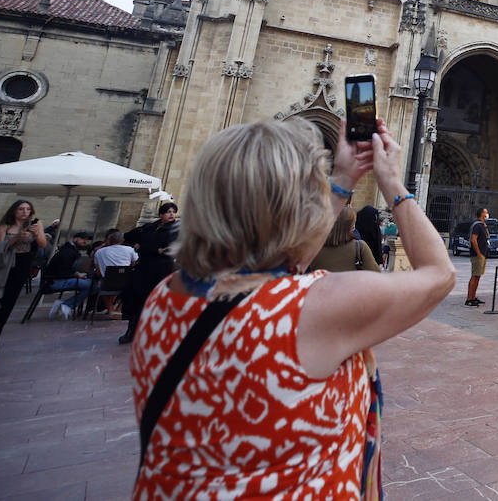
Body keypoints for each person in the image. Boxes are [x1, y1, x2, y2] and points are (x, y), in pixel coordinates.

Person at [131, 117, 454, 497]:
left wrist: (344, 177)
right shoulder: (308, 310)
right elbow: (439, 273)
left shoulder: (164, 298)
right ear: (295, 208)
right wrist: (392, 183)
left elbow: (286, 262)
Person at [0, 200, 47, 359]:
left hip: (21, 265)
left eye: (28, 209)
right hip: (3, 265)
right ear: (14, 211)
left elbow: (43, 244)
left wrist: (37, 234)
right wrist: (16, 238)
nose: (25, 212)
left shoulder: (35, 223)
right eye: (21, 209)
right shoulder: (4, 226)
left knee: (6, 304)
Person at [119, 202, 180, 344]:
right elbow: (127, 236)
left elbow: (169, 251)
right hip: (143, 268)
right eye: (168, 211)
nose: (171, 214)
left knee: (155, 301)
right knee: (135, 298)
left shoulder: (177, 230)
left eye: (173, 212)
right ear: (161, 214)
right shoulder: (149, 227)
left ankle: (152, 333)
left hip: (161, 270)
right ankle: (131, 330)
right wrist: (152, 249)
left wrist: (145, 248)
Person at [309, 205, 380, 273]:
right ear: (350, 225)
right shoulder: (359, 247)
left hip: (322, 285)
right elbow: (376, 273)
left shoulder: (315, 247)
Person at [44, 231, 95, 319]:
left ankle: (67, 304)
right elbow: (64, 270)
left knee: (91, 285)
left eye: (86, 240)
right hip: (54, 282)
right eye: (83, 239)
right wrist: (77, 274)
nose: (85, 242)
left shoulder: (70, 250)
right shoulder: (68, 251)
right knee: (92, 285)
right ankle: (67, 305)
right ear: (75, 239)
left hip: (57, 279)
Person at [467, 207, 489, 306]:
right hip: (477, 255)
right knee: (474, 276)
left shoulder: (483, 225)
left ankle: (473, 296)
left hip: (482, 254)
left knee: (478, 276)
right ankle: (469, 299)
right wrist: (479, 253)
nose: (487, 214)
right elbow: (473, 239)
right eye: (486, 212)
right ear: (482, 214)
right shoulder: (477, 225)